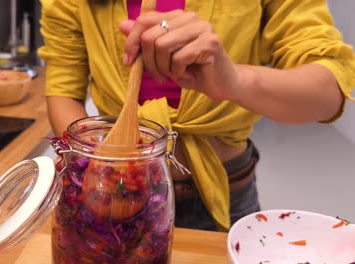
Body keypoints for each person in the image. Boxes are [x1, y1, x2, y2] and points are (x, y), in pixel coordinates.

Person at [38, 0, 355, 231]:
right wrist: (98, 165)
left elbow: (327, 94)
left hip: (227, 195)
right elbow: (63, 90)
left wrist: (234, 80)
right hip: (113, 197)